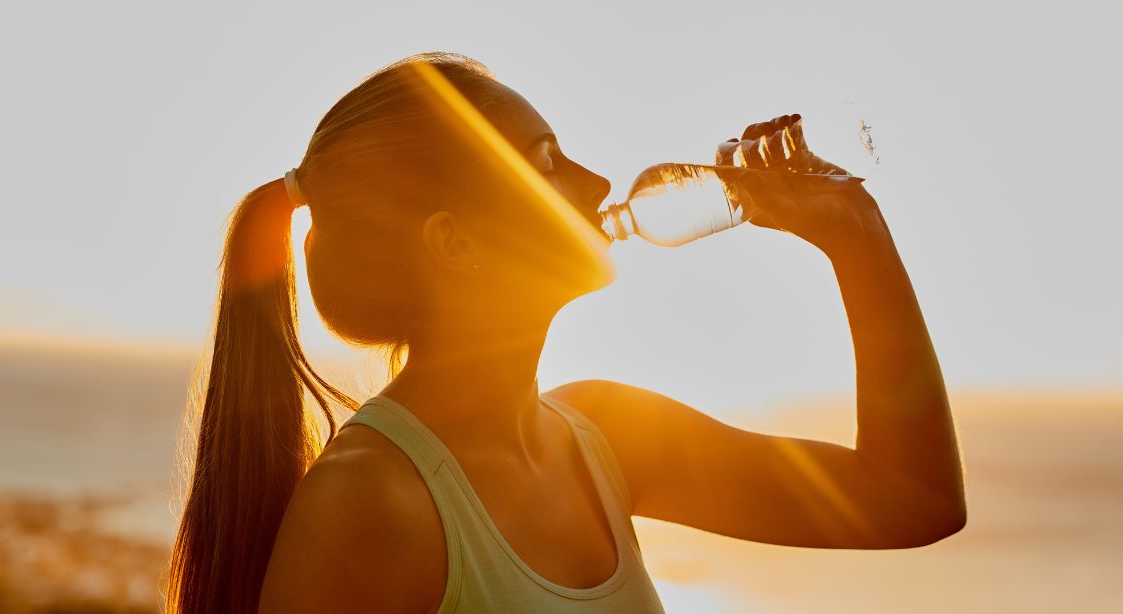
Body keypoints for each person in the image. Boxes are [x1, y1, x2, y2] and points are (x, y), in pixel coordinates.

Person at [165, 52, 966, 614]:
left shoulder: (606, 437)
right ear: (456, 242)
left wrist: (856, 232)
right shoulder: (370, 504)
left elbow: (911, 502)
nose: (598, 183)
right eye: (545, 160)